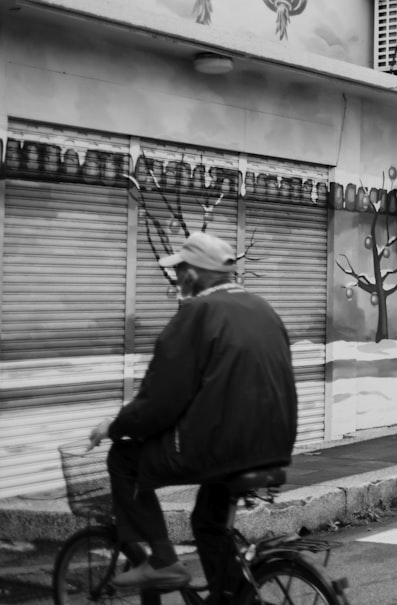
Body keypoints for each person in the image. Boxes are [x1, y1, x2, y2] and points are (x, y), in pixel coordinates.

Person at [87, 231, 298, 596]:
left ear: (193, 274)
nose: (177, 278)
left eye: (180, 269)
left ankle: (163, 562)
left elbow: (160, 400)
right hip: (274, 445)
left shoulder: (197, 313)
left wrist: (116, 426)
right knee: (207, 521)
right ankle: (230, 596)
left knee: (124, 459)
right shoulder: (262, 307)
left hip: (222, 446)